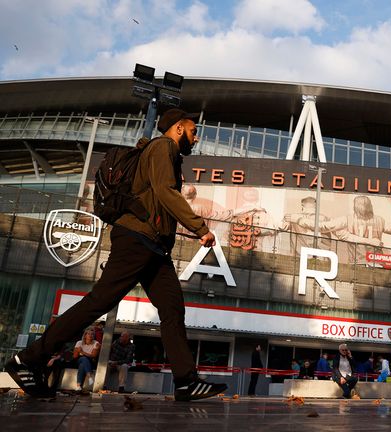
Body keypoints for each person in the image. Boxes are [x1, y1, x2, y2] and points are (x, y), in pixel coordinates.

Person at [4, 108, 227, 401]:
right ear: (177, 128)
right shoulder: (164, 147)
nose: (196, 138)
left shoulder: (164, 151)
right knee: (100, 301)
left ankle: (186, 382)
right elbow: (164, 191)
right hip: (136, 239)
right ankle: (28, 360)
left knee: (172, 309)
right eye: (193, 130)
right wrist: (199, 228)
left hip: (154, 247)